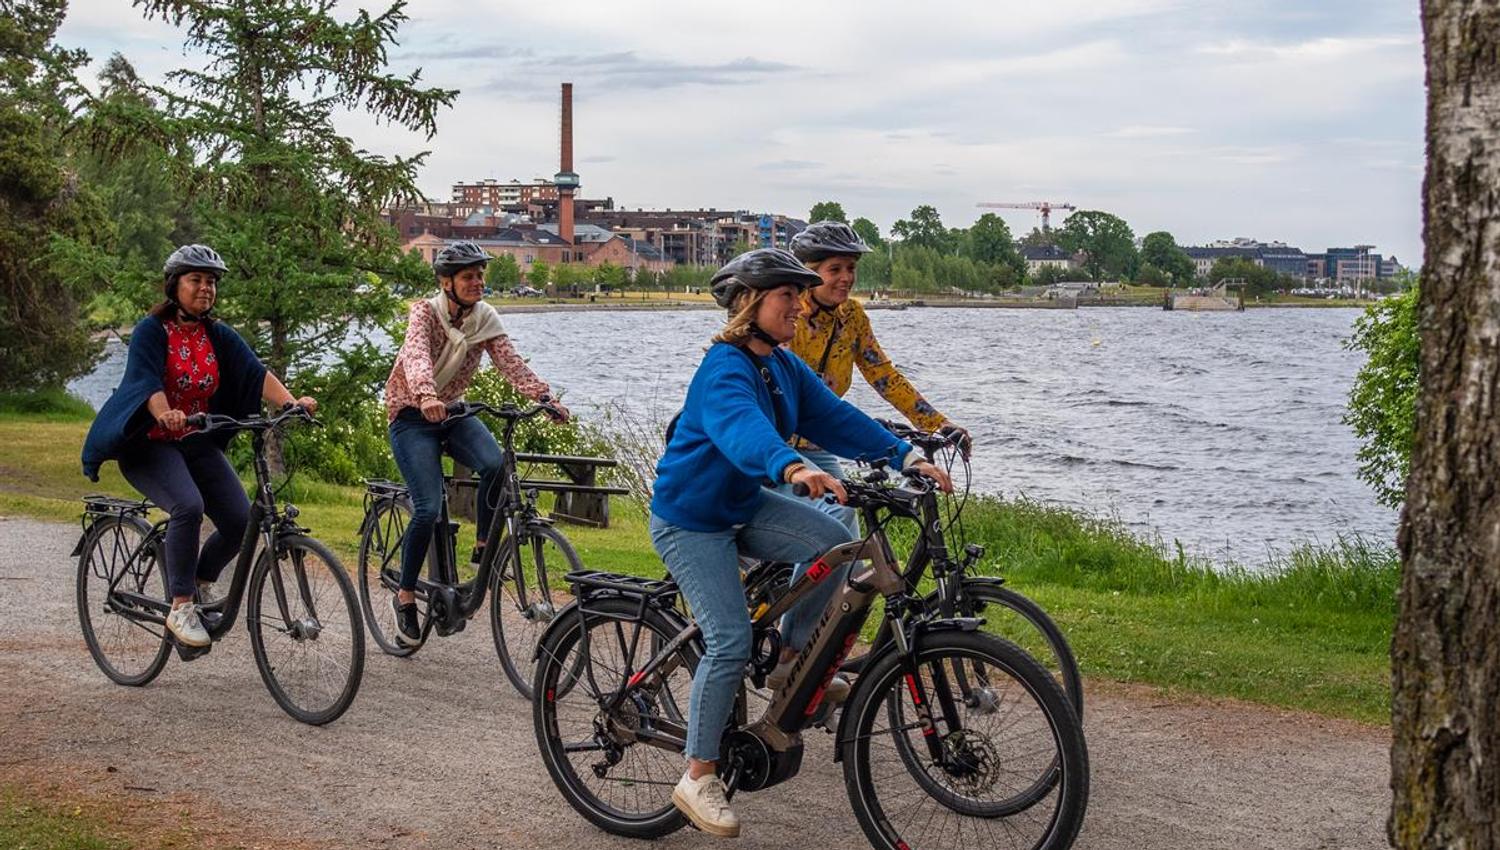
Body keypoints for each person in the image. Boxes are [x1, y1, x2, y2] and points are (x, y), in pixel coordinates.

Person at [650, 248, 952, 837]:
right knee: (730, 640)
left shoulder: (782, 365)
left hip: (742, 506)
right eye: (786, 295)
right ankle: (698, 775)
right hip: (692, 520)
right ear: (750, 303)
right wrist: (791, 466)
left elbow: (836, 417)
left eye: (797, 295)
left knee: (835, 540)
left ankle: (792, 662)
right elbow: (742, 429)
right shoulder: (724, 368)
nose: (797, 305)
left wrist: (905, 457)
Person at [81, 244, 317, 648]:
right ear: (175, 285)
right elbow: (145, 382)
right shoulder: (152, 331)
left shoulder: (217, 334)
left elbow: (255, 373)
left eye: (211, 281)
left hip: (195, 442)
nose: (206, 288)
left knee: (240, 522)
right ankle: (181, 606)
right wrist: (165, 413)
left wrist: (291, 403)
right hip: (148, 445)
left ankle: (201, 582)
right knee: (188, 506)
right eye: (196, 280)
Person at [383, 240, 569, 647]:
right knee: (428, 508)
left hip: (452, 412)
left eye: (480, 276)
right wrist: (425, 395)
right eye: (468, 276)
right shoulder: (424, 313)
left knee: (496, 464)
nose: (477, 283)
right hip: (412, 416)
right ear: (446, 282)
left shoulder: (484, 317)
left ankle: (484, 544)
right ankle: (406, 595)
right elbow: (416, 357)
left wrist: (544, 397)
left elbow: (510, 363)